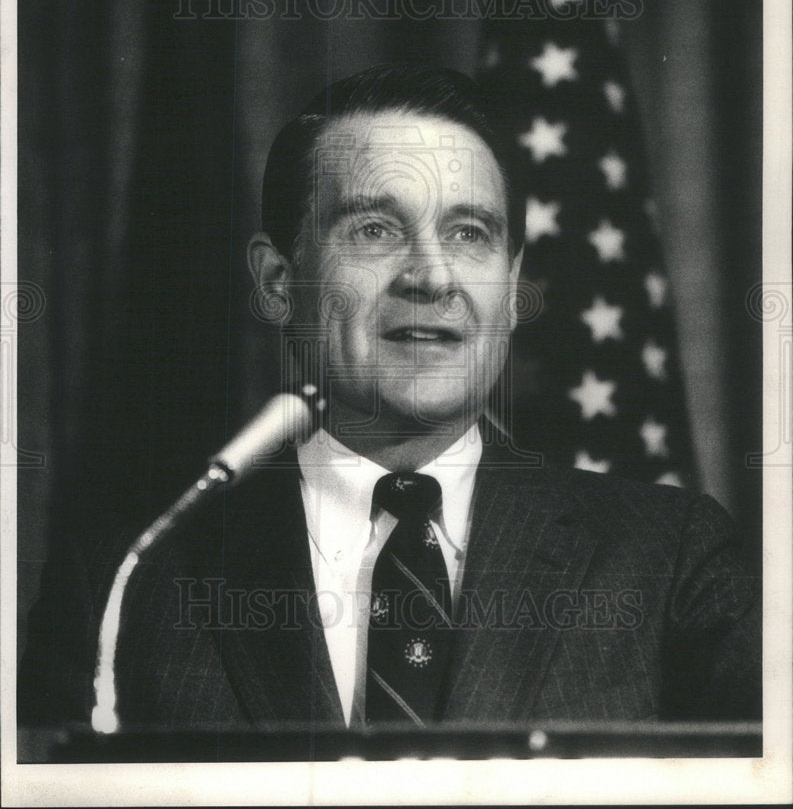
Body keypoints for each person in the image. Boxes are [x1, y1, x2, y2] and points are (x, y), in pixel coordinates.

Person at [20, 64, 760, 731]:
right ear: (279, 281)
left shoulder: (669, 562)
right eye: (375, 230)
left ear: (509, 290)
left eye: (469, 233)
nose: (432, 277)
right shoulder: (129, 580)